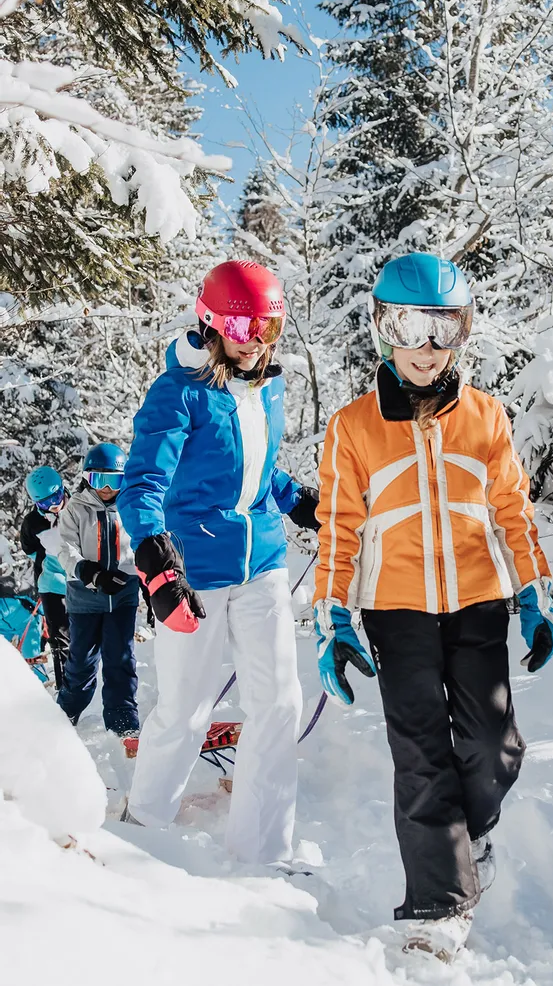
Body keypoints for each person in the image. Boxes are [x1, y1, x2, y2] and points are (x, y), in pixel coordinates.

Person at [312, 252, 553, 961]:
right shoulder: (353, 427)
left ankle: (470, 838)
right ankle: (437, 909)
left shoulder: (486, 417)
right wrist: (334, 616)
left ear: (463, 331)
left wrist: (534, 592)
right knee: (420, 752)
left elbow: (513, 511)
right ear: (381, 328)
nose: (425, 347)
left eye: (441, 328)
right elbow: (340, 530)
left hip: (479, 599)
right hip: (397, 609)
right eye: (408, 325)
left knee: (492, 746)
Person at [117, 259, 319, 864]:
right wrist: (156, 561)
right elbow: (142, 484)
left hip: (263, 562)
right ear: (210, 325)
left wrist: (299, 501)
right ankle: (143, 829)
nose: (256, 343)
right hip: (196, 570)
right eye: (241, 328)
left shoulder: (269, 386)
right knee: (186, 706)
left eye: (268, 329)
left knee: (279, 703)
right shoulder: (179, 391)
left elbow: (255, 472)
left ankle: (263, 852)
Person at [57, 443, 140, 737]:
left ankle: (122, 718)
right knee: (81, 660)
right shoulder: (75, 509)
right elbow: (65, 548)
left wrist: (141, 577)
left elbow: (144, 544)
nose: (106, 489)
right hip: (84, 599)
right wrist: (88, 572)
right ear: (86, 478)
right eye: (98, 480)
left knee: (121, 658)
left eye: (113, 481)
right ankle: (66, 711)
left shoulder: (130, 508)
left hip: (123, 595)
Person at [20, 466, 70, 688]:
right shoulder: (33, 523)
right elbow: (29, 548)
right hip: (52, 584)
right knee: (60, 638)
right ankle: (65, 689)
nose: (54, 505)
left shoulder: (79, 508)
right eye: (45, 503)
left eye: (57, 497)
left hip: (81, 581)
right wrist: (46, 559)